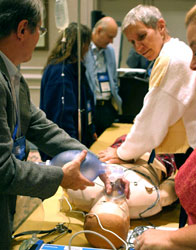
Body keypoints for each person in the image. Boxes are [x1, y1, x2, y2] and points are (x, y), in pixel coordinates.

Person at [0, 1, 130, 249]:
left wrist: (95, 163)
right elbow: (3, 169)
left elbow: (41, 126)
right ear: (22, 29)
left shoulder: (13, 74)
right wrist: (59, 175)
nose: (41, 35)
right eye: (41, 29)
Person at [102, 4, 196, 250]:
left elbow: (151, 119)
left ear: (161, 26)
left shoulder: (171, 58)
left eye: (142, 37)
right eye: (132, 42)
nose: (138, 47)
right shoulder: (176, 51)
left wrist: (122, 153)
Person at [40, 22, 97, 161]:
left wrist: (90, 130)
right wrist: (74, 153)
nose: (88, 49)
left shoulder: (75, 68)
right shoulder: (61, 73)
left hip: (75, 144)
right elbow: (63, 117)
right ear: (81, 44)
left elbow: (85, 102)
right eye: (87, 44)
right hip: (64, 151)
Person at [84, 16, 122, 137]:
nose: (111, 41)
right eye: (110, 37)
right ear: (99, 30)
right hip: (91, 106)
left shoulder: (109, 50)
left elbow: (113, 78)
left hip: (107, 107)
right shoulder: (84, 49)